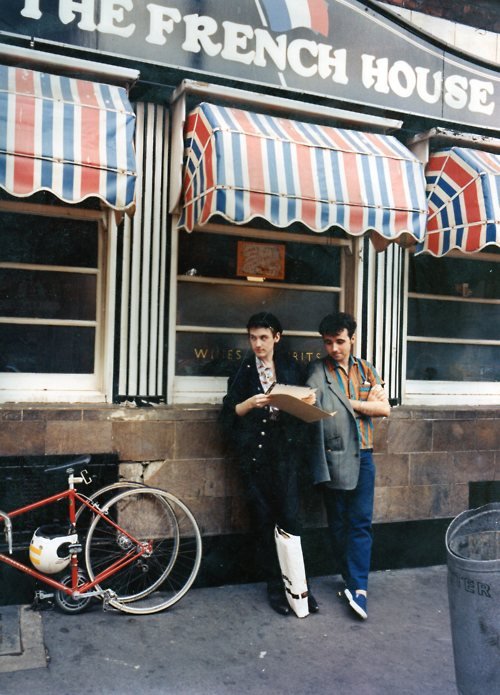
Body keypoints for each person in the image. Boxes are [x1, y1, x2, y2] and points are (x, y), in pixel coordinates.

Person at [220, 312, 318, 616]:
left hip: (286, 456)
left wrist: (306, 403)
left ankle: (300, 589)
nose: (258, 344)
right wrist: (250, 403)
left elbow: (304, 409)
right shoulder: (242, 369)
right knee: (264, 522)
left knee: (291, 521)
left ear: (277, 337)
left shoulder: (291, 367)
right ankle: (275, 588)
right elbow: (227, 414)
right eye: (253, 338)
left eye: (263, 337)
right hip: (256, 458)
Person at [306, 312, 390, 620]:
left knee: (361, 522)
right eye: (328, 342)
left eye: (340, 341)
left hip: (364, 456)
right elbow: (316, 405)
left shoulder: (366, 369)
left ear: (352, 339)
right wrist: (364, 404)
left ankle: (359, 587)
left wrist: (348, 403)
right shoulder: (318, 370)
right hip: (335, 456)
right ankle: (350, 578)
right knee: (339, 524)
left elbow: (384, 409)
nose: (334, 349)